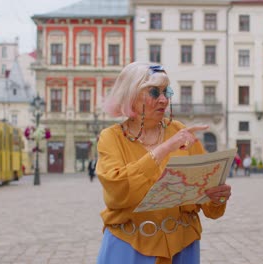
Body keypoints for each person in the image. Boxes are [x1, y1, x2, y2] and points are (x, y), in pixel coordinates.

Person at [96, 62, 232, 264]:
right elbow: (118, 192)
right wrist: (165, 148)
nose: (164, 99)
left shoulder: (180, 131)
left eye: (166, 91)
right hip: (129, 247)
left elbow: (210, 207)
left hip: (183, 246)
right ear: (130, 95)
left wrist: (217, 197)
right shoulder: (111, 137)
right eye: (154, 92)